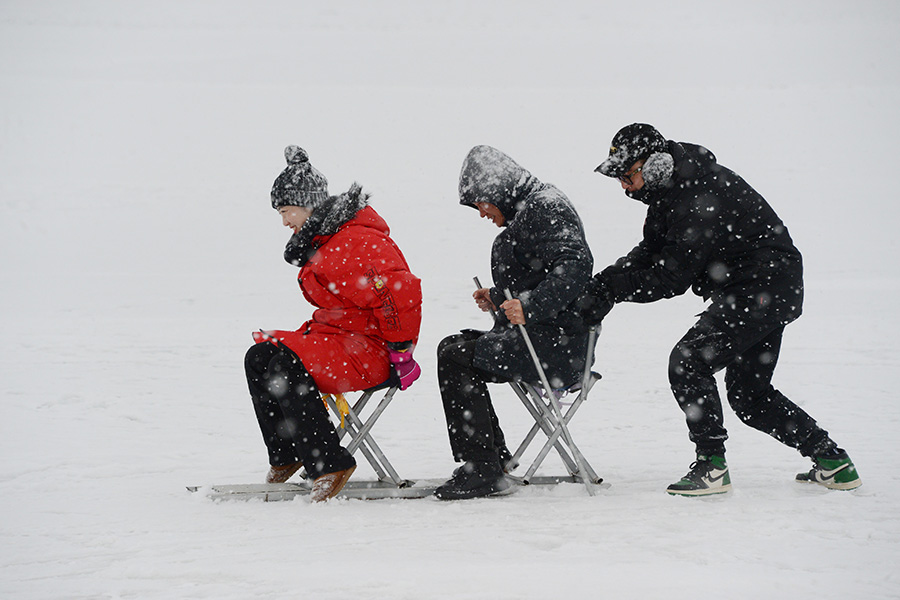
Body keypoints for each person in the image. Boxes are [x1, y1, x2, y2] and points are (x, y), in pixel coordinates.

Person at [582, 123, 861, 496]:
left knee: (688, 361)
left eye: (627, 175)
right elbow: (651, 251)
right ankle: (833, 462)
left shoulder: (695, 196)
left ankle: (712, 467)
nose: (623, 186)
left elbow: (670, 277)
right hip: (768, 287)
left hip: (761, 288)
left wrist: (610, 291)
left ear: (655, 164)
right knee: (750, 396)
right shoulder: (671, 191)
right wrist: (604, 282)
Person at [245, 145, 422, 502]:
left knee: (284, 363)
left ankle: (328, 463)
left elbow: (399, 293)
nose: (283, 222)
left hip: (371, 350)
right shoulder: (330, 239)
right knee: (259, 356)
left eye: (285, 211)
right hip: (340, 340)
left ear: (307, 205)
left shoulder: (354, 241)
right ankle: (288, 454)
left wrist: (401, 350)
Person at [434, 145, 594, 500]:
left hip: (558, 346)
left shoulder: (545, 207)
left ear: (497, 192)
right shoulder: (531, 211)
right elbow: (537, 274)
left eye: (481, 204)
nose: (481, 213)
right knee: (451, 346)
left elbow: (575, 267)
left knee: (456, 357)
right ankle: (493, 459)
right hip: (541, 337)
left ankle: (482, 468)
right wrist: (498, 296)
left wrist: (531, 305)